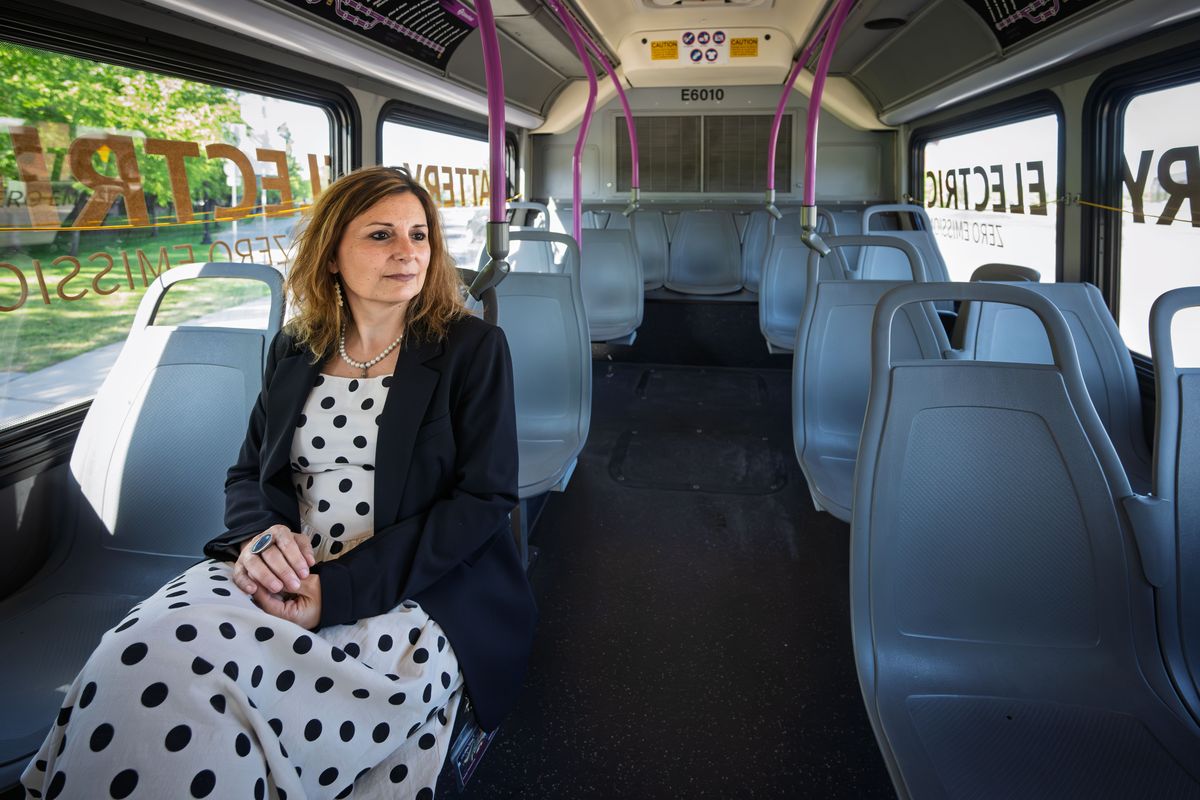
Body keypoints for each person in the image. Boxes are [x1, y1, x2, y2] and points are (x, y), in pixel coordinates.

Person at [20, 165, 536, 800]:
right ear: (332, 256)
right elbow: (249, 473)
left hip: (417, 584)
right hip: (286, 565)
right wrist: (261, 538)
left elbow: (483, 499)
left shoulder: (471, 348)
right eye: (381, 235)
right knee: (143, 651)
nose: (408, 252)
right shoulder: (298, 346)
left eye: (419, 234)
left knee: (235, 710)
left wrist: (337, 592)